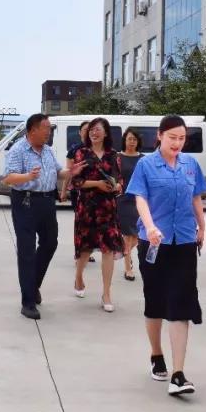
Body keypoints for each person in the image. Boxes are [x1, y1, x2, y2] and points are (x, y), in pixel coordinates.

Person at [125, 115, 206, 397]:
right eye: (172, 137)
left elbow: (196, 197)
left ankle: (178, 373)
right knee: (156, 302)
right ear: (159, 136)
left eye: (182, 138)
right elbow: (140, 198)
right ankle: (156, 354)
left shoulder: (190, 164)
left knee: (181, 303)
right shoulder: (146, 165)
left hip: (184, 240)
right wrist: (149, 226)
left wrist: (202, 226)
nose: (177, 143)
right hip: (154, 242)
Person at [3, 113, 86, 320]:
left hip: (47, 201)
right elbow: (8, 178)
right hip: (25, 202)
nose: (49, 132)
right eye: (46, 128)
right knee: (27, 251)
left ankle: (33, 285)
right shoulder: (18, 150)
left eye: (50, 128)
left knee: (50, 243)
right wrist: (28, 176)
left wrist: (71, 172)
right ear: (33, 130)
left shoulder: (48, 150)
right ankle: (28, 302)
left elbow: (58, 172)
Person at [70, 117, 124, 312]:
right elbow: (76, 182)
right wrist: (97, 184)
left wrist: (117, 186)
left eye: (97, 129)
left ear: (106, 133)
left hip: (107, 209)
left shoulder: (113, 155)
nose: (93, 132)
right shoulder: (81, 153)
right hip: (87, 208)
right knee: (85, 249)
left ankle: (106, 293)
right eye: (91, 129)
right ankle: (78, 277)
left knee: (108, 250)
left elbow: (120, 180)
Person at [62, 121, 96, 263]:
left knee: (92, 224)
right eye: (85, 129)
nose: (87, 132)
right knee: (81, 223)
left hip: (96, 192)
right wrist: (63, 191)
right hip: (79, 192)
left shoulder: (97, 148)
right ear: (80, 132)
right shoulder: (74, 150)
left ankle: (88, 252)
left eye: (90, 129)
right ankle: (79, 253)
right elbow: (69, 172)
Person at [116, 128, 145, 281]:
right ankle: (128, 268)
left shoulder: (143, 159)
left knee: (138, 235)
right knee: (127, 235)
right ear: (124, 140)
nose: (132, 142)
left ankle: (125, 252)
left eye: (134, 139)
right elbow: (113, 176)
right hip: (124, 199)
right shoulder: (118, 157)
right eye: (129, 139)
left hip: (140, 199)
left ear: (138, 141)